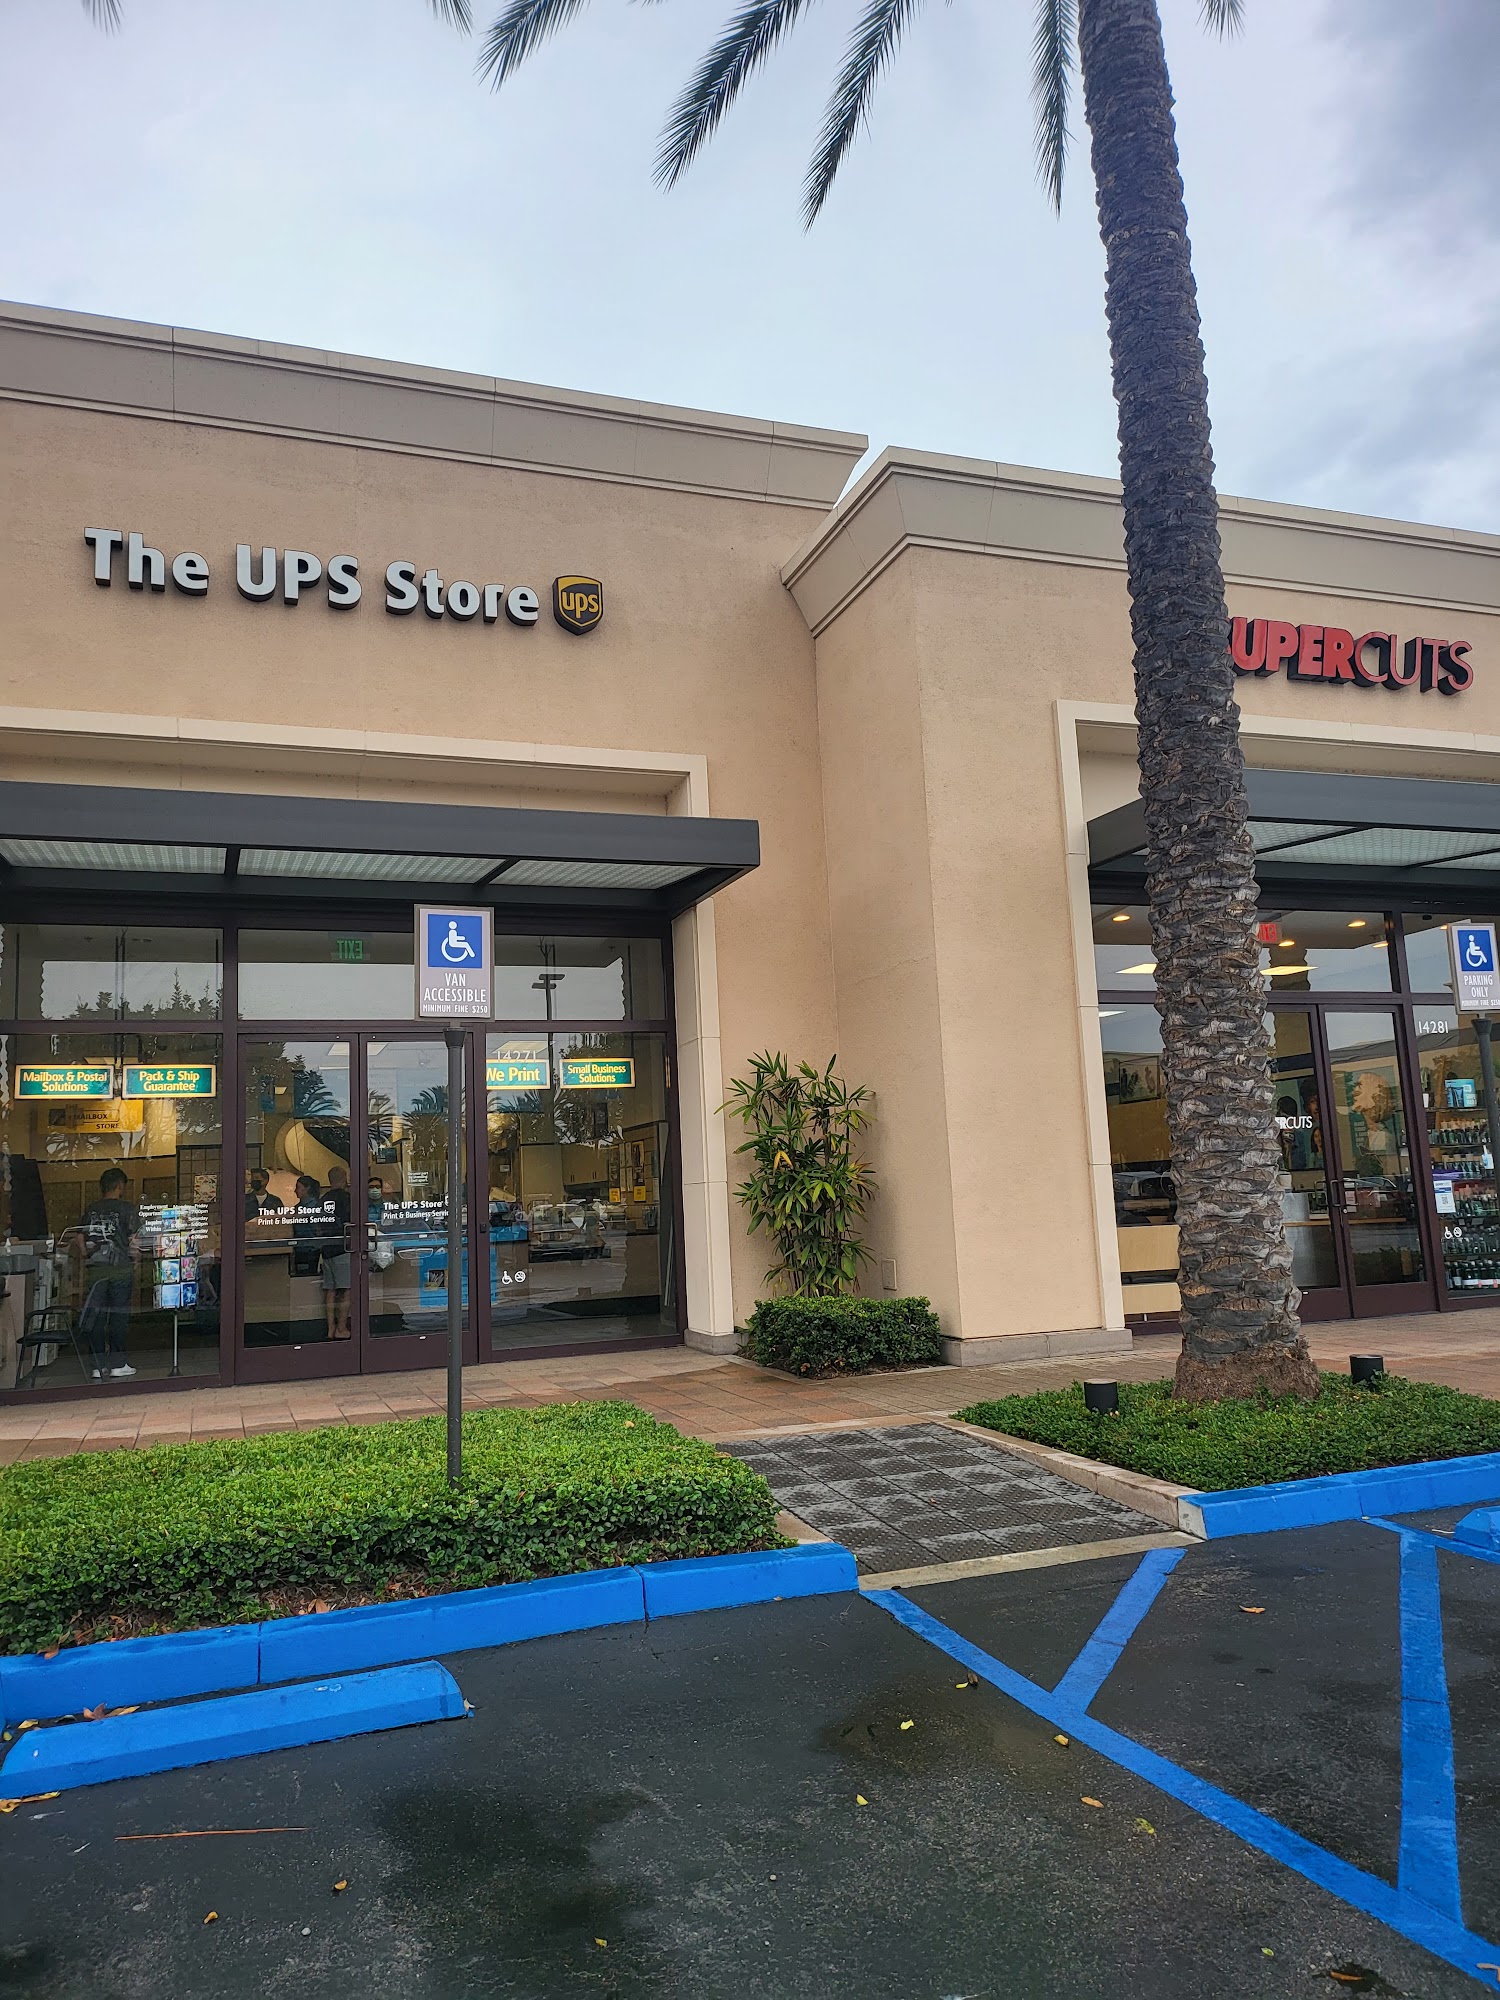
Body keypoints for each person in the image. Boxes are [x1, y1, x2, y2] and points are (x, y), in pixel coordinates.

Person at [66, 1167, 140, 1380]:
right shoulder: (127, 1209)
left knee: (96, 1316)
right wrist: (136, 1260)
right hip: (120, 1268)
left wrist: (86, 1255)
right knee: (118, 1315)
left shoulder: (91, 1209)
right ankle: (118, 1364)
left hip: (96, 1269)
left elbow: (79, 1238)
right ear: (120, 1186)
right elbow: (133, 1241)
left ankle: (97, 1366)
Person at [321, 1164, 353, 1340]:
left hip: (326, 1249)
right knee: (347, 1289)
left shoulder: (323, 1199)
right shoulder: (347, 1199)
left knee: (330, 1290)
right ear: (344, 1178)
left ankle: (330, 1328)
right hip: (343, 1248)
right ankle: (341, 1328)